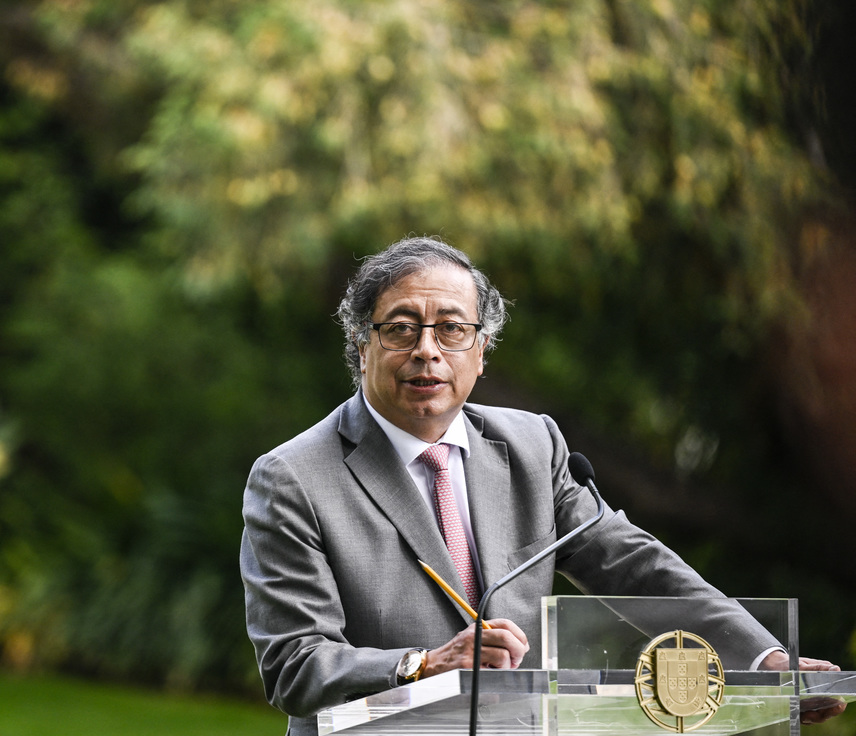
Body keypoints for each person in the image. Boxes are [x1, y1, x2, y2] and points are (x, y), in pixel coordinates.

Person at [239, 236, 842, 736]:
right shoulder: (293, 478)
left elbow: (633, 566)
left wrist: (763, 658)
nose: (427, 351)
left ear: (481, 351)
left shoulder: (533, 445)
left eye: (452, 329)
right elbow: (296, 665)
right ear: (361, 345)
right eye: (400, 329)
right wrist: (422, 665)